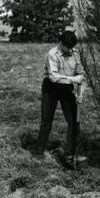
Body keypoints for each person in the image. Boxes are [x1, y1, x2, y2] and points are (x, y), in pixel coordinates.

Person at [34, 28, 84, 166]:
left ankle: (72, 152)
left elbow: (81, 75)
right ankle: (39, 151)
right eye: (67, 47)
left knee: (74, 121)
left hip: (67, 89)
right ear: (60, 43)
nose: (69, 50)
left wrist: (80, 94)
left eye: (71, 47)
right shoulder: (52, 54)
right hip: (51, 89)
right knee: (46, 120)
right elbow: (54, 77)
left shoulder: (76, 53)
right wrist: (73, 79)